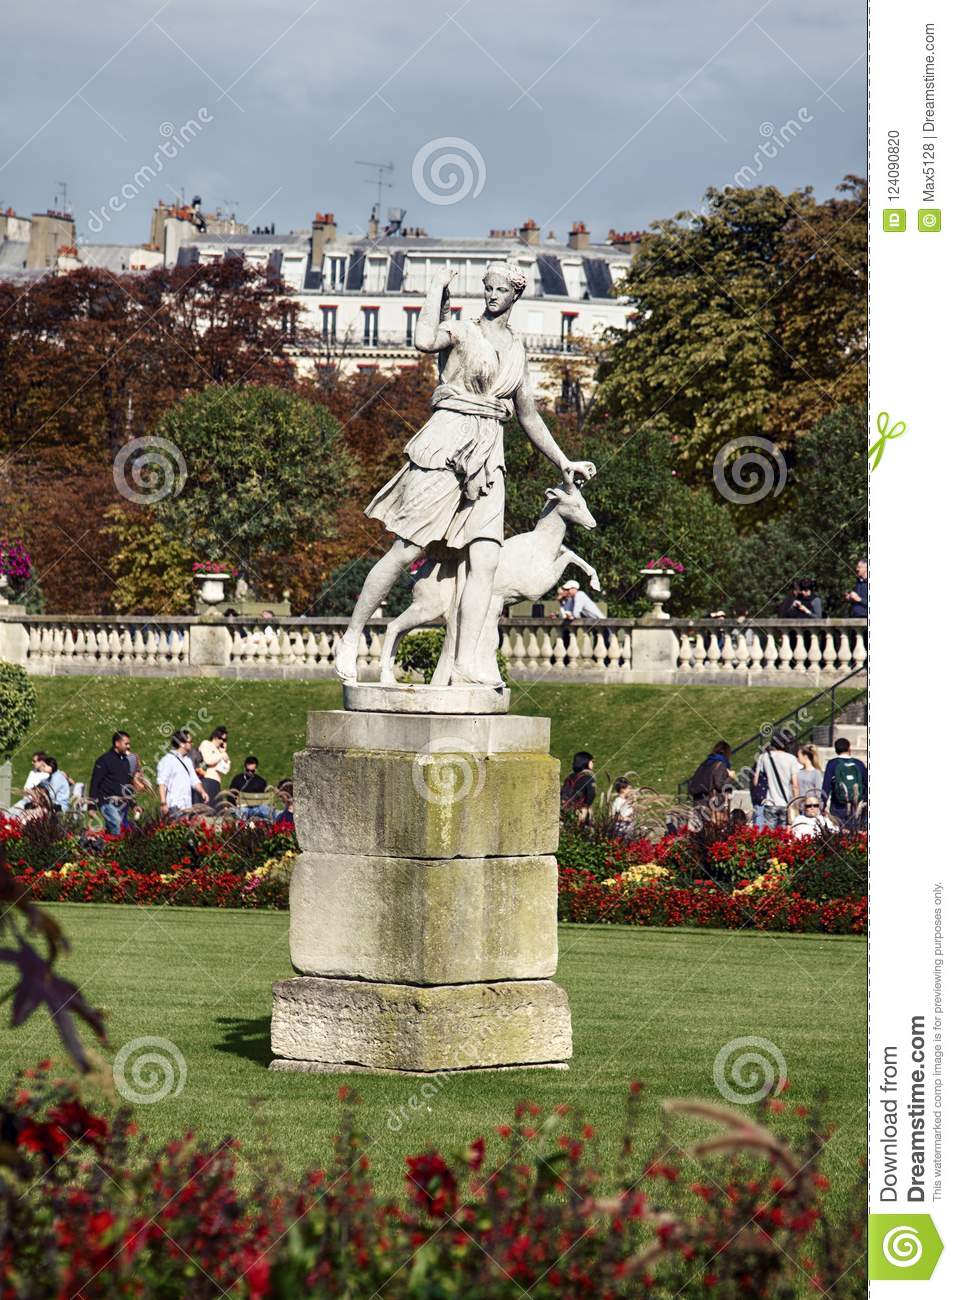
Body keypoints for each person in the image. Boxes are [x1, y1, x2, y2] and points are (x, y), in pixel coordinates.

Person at [333, 260, 595, 687]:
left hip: (490, 453)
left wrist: (563, 461)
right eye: (487, 287)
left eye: (499, 289)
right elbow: (422, 341)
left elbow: (528, 415)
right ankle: (352, 636)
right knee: (406, 549)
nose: (491, 295)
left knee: (486, 561)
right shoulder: (460, 329)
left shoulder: (517, 348)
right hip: (446, 444)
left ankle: (465, 663)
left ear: (515, 295)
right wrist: (435, 288)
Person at [751, 733, 801, 829]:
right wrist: (796, 803)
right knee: (784, 835)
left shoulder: (764, 757)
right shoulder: (792, 759)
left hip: (770, 802)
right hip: (786, 803)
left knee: (770, 836)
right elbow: (795, 785)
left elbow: (756, 781)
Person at [89, 732, 135, 835]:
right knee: (117, 826)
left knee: (120, 830)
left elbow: (128, 785)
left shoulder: (126, 762)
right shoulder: (104, 761)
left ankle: (106, 847)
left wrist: (133, 804)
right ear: (117, 743)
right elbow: (95, 782)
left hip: (122, 804)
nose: (129, 746)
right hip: (107, 803)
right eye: (126, 744)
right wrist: (91, 806)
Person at [157, 729, 207, 819]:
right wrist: (163, 803)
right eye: (190, 742)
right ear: (182, 744)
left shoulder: (188, 761)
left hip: (187, 806)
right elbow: (162, 782)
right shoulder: (168, 760)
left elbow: (194, 780)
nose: (192, 744)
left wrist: (202, 792)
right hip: (174, 806)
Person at [822, 738, 868, 826]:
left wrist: (823, 804)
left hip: (838, 805)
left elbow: (826, 786)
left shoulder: (832, 764)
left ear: (836, 750)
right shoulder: (858, 763)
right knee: (855, 833)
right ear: (849, 748)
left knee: (839, 832)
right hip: (856, 805)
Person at [687, 741, 735, 805]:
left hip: (698, 799)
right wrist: (731, 777)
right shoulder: (721, 764)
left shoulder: (707, 762)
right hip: (710, 802)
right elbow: (719, 785)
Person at [229, 755, 272, 821]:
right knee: (241, 813)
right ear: (244, 768)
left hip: (257, 807)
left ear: (256, 769)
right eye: (247, 770)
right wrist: (234, 805)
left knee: (267, 811)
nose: (249, 772)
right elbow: (231, 795)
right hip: (243, 807)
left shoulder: (261, 781)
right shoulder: (237, 779)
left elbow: (265, 797)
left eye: (252, 771)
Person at [198, 726, 231, 809]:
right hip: (207, 779)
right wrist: (221, 755)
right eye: (221, 738)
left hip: (217, 781)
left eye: (225, 740)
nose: (222, 741)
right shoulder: (206, 744)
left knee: (216, 810)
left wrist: (224, 753)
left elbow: (225, 770)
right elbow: (208, 760)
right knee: (208, 808)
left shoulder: (220, 751)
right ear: (215, 736)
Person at [561, 751, 596, 822]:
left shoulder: (570, 776)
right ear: (587, 763)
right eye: (591, 761)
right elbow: (591, 794)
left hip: (566, 809)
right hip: (581, 810)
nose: (593, 763)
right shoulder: (588, 777)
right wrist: (586, 807)